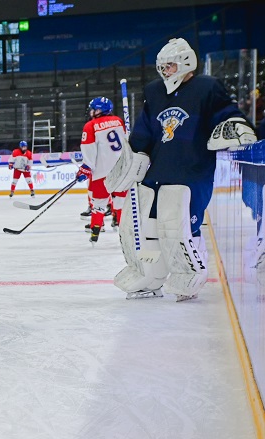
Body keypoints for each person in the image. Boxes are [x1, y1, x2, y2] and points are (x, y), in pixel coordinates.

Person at [106, 37, 257, 301]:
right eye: (162, 67)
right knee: (135, 225)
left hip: (192, 171)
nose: (165, 72)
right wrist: (133, 155)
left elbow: (227, 113)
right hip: (157, 171)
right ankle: (147, 274)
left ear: (187, 63)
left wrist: (234, 125)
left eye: (170, 66)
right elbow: (144, 131)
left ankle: (188, 274)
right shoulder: (154, 91)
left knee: (176, 226)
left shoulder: (207, 87)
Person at [78, 96, 128, 243]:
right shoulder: (119, 121)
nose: (92, 112)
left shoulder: (90, 125)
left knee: (99, 204)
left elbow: (89, 150)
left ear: (100, 110)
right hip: (121, 170)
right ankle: (125, 234)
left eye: (94, 109)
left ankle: (95, 232)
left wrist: (86, 167)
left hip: (102, 173)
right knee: (120, 204)